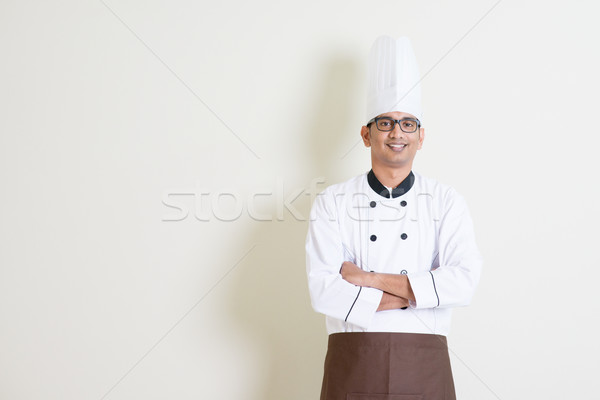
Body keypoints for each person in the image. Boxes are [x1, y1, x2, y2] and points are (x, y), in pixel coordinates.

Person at [305, 36, 483, 400]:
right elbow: (323, 291)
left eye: (408, 124)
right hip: (353, 357)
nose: (396, 133)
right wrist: (423, 290)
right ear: (366, 135)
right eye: (385, 123)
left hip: (425, 359)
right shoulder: (332, 201)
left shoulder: (446, 201)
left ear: (421, 137)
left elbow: (463, 281)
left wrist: (366, 279)